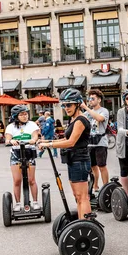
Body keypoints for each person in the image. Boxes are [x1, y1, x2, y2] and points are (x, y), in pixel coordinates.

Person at [38, 89, 97, 221]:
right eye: (64, 105)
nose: (66, 108)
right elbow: (65, 139)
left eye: (69, 105)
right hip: (73, 160)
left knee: (83, 197)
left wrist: (49, 145)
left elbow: (71, 142)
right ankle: (82, 223)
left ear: (77, 104)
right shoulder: (74, 120)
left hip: (80, 161)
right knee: (77, 196)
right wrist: (48, 141)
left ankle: (86, 224)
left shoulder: (81, 120)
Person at [5, 104, 41, 212]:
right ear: (16, 116)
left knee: (31, 180)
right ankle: (17, 203)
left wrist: (33, 140)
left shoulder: (32, 125)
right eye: (22, 114)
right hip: (16, 154)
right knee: (17, 180)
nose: (25, 116)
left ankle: (35, 202)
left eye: (26, 114)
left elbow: (35, 136)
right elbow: (7, 139)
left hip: (29, 152)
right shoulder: (10, 127)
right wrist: (11, 141)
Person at [80, 89, 109, 194]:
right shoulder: (87, 113)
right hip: (90, 142)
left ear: (99, 100)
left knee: (102, 165)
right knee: (93, 166)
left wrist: (86, 107)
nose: (90, 101)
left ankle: (106, 188)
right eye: (89, 99)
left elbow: (99, 118)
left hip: (100, 142)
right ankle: (95, 186)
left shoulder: (103, 110)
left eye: (93, 98)